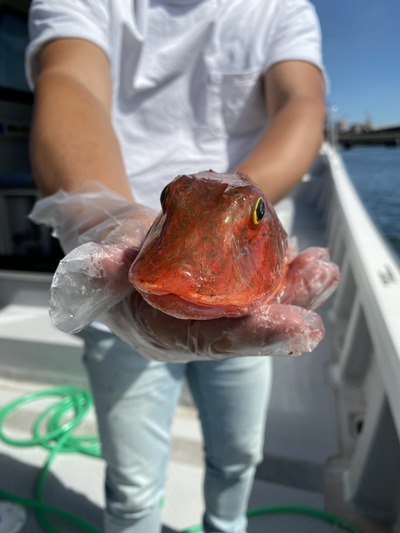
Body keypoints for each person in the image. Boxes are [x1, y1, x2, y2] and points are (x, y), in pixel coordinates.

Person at [26, 1, 331, 532]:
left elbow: (302, 101)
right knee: (133, 487)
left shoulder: (281, 7)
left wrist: (242, 200)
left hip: (245, 279)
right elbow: (68, 80)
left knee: (238, 461)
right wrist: (109, 216)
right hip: (125, 265)